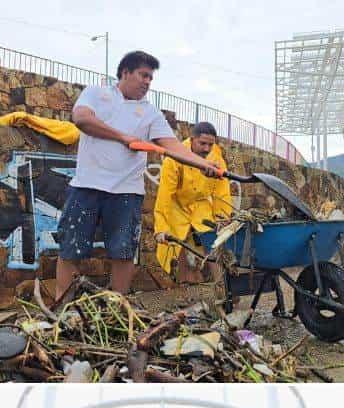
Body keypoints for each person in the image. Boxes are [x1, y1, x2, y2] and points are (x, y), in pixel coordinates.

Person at [55, 50, 221, 300]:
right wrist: (123, 137)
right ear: (125, 72)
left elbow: (172, 146)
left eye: (151, 79)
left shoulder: (150, 113)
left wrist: (204, 165)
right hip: (86, 186)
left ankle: (117, 308)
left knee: (123, 252)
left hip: (126, 193)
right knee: (70, 250)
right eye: (143, 75)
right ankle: (62, 307)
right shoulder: (96, 94)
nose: (147, 82)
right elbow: (81, 119)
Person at [153, 121, 233, 280]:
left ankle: (224, 290)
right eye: (202, 143)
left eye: (210, 144)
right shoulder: (174, 157)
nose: (206, 149)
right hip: (178, 206)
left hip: (201, 206)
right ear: (192, 139)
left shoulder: (217, 158)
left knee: (214, 244)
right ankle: (184, 290)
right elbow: (165, 195)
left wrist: (222, 217)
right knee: (175, 246)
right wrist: (161, 227)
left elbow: (222, 190)